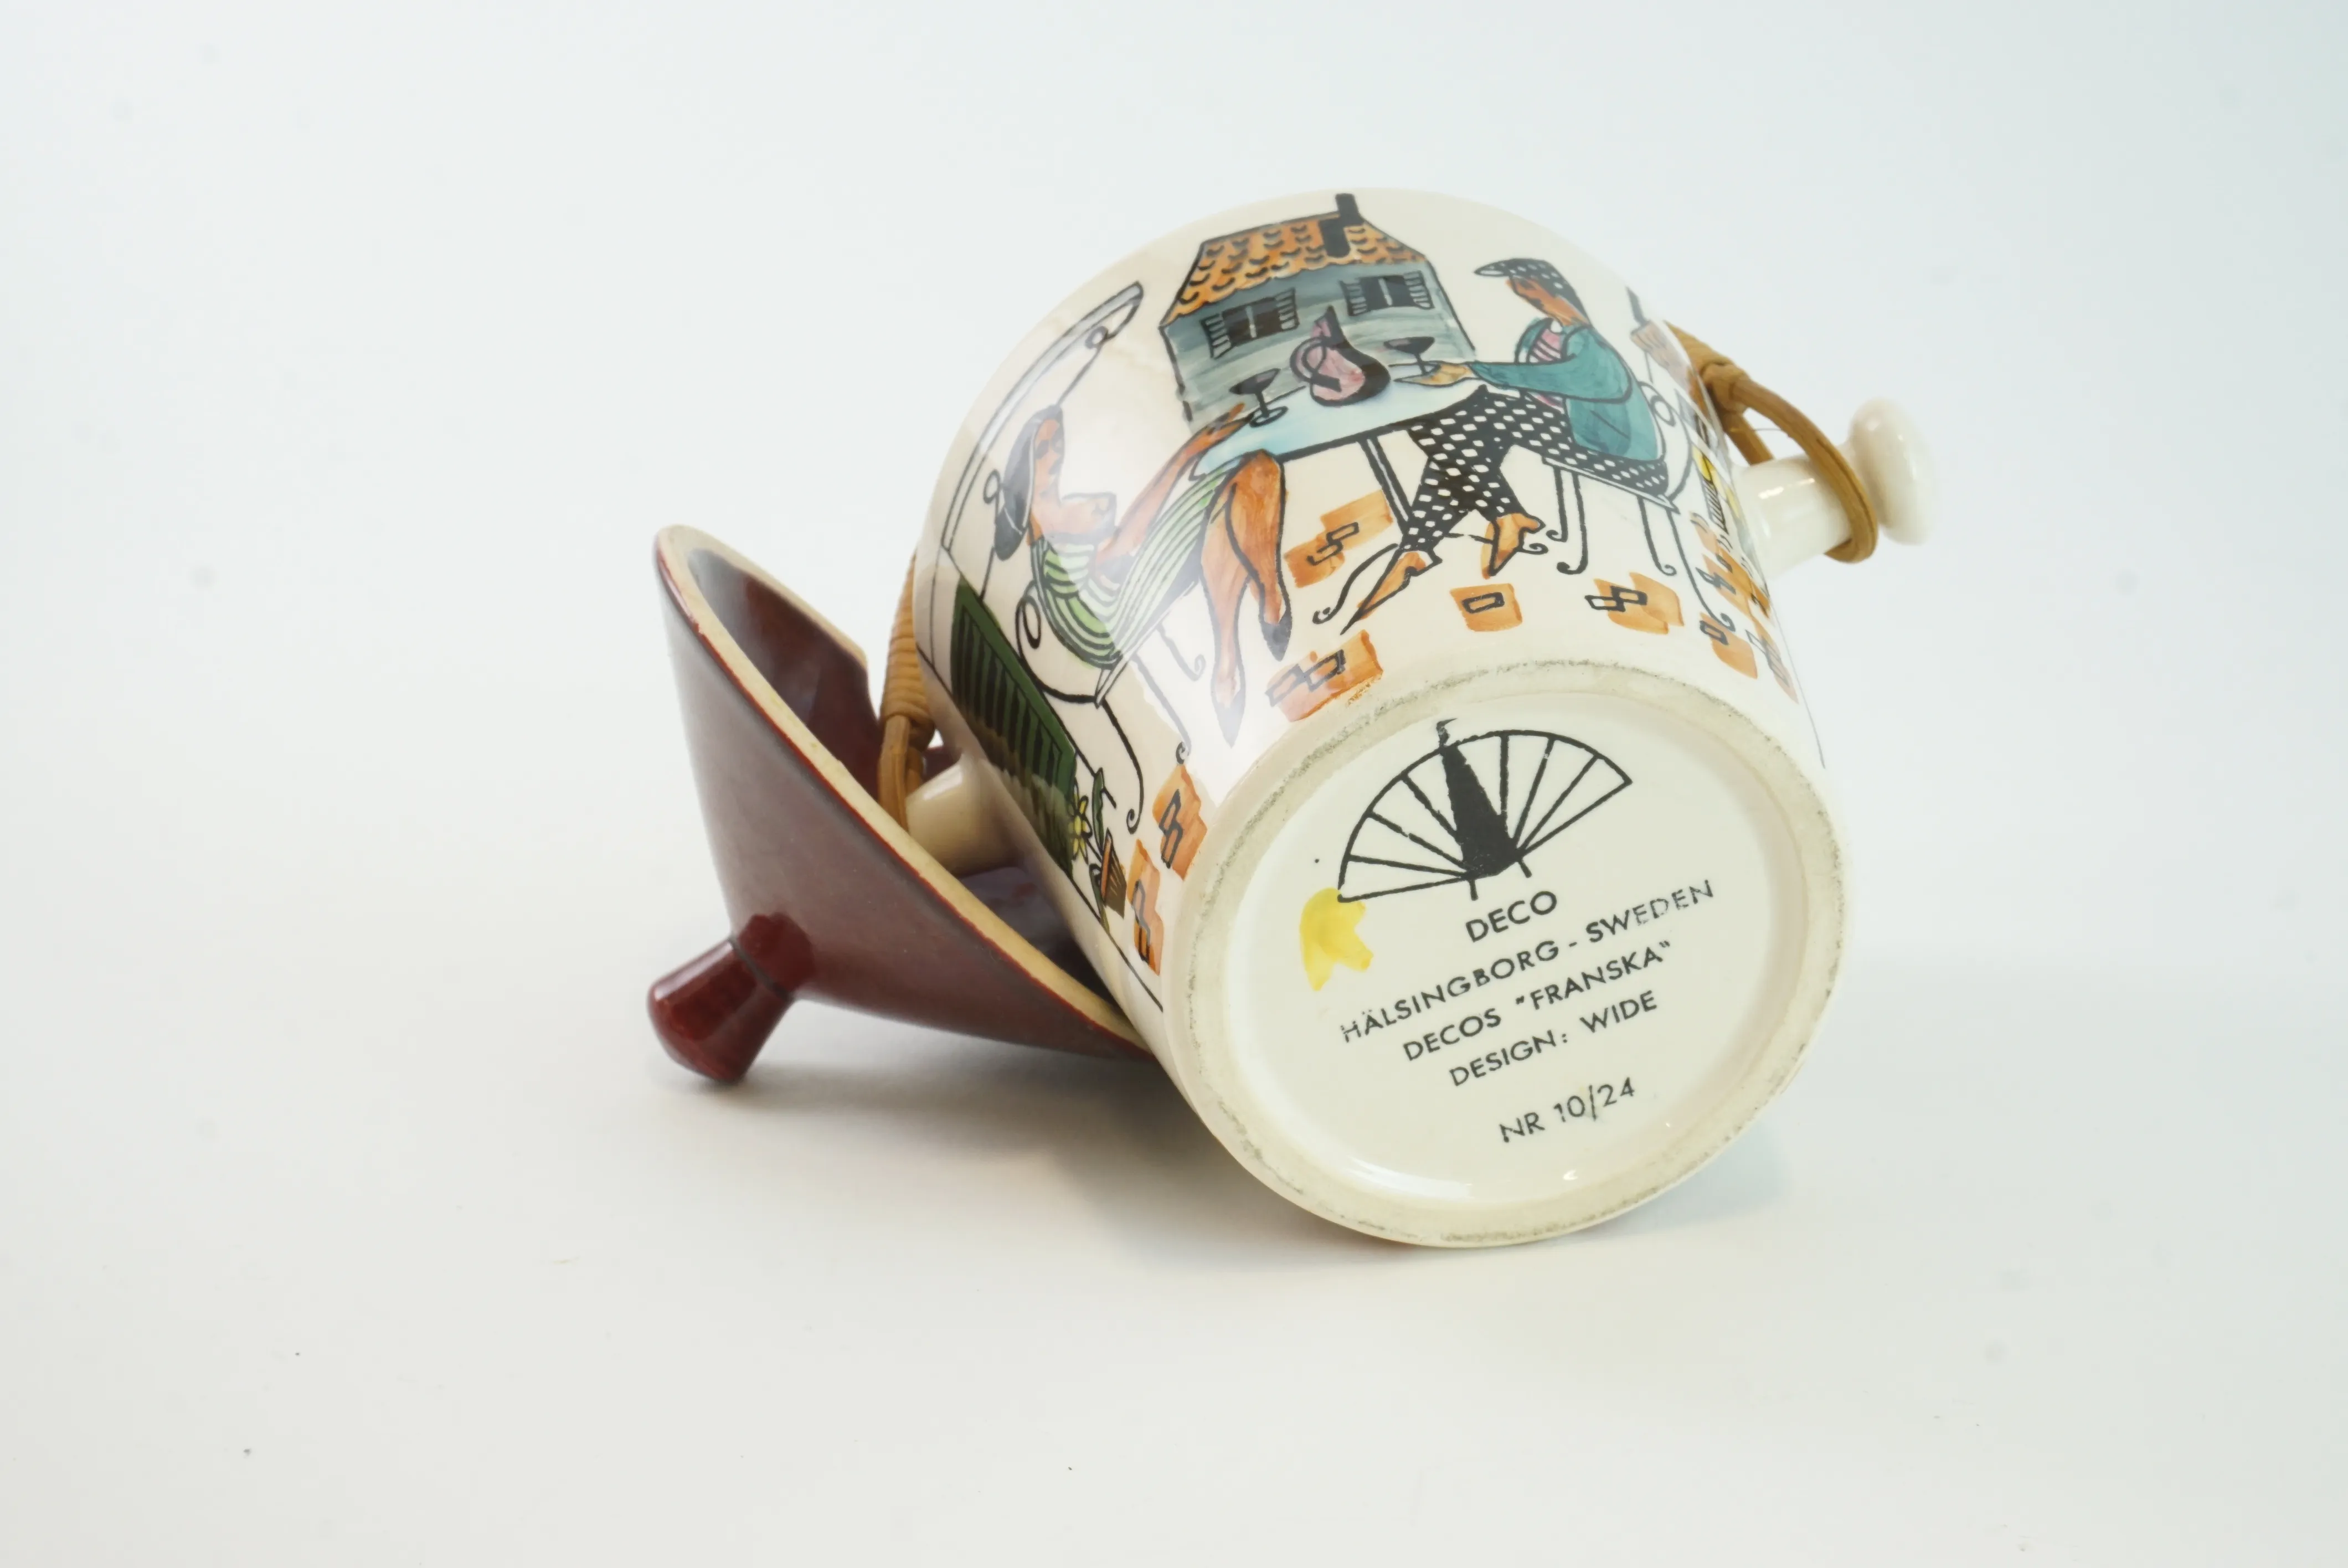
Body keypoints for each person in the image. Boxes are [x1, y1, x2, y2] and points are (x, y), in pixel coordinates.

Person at [1412, 259, 1661, 462]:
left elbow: (1573, 377)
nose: (1522, 293)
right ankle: (1486, 504)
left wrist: (1472, 371)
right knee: (1466, 425)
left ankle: (1490, 503)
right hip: (1565, 427)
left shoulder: (1590, 342)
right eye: (1517, 287)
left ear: (1554, 288)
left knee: (1477, 424)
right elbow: (1531, 382)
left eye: (1526, 285)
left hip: (1616, 452)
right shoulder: (1539, 331)